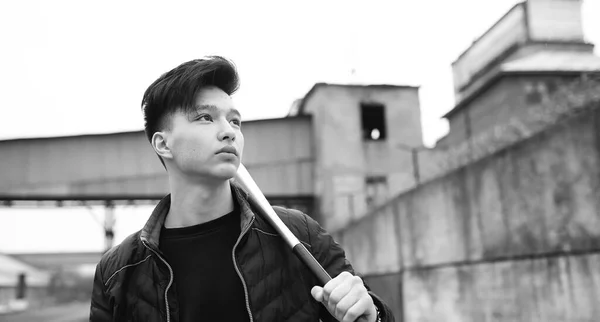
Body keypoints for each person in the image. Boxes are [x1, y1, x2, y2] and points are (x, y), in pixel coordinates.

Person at [89, 56, 394, 322]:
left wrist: (372, 315)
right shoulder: (117, 271)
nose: (228, 132)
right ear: (163, 143)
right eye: (205, 118)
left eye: (235, 121)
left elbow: (370, 312)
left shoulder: (299, 233)